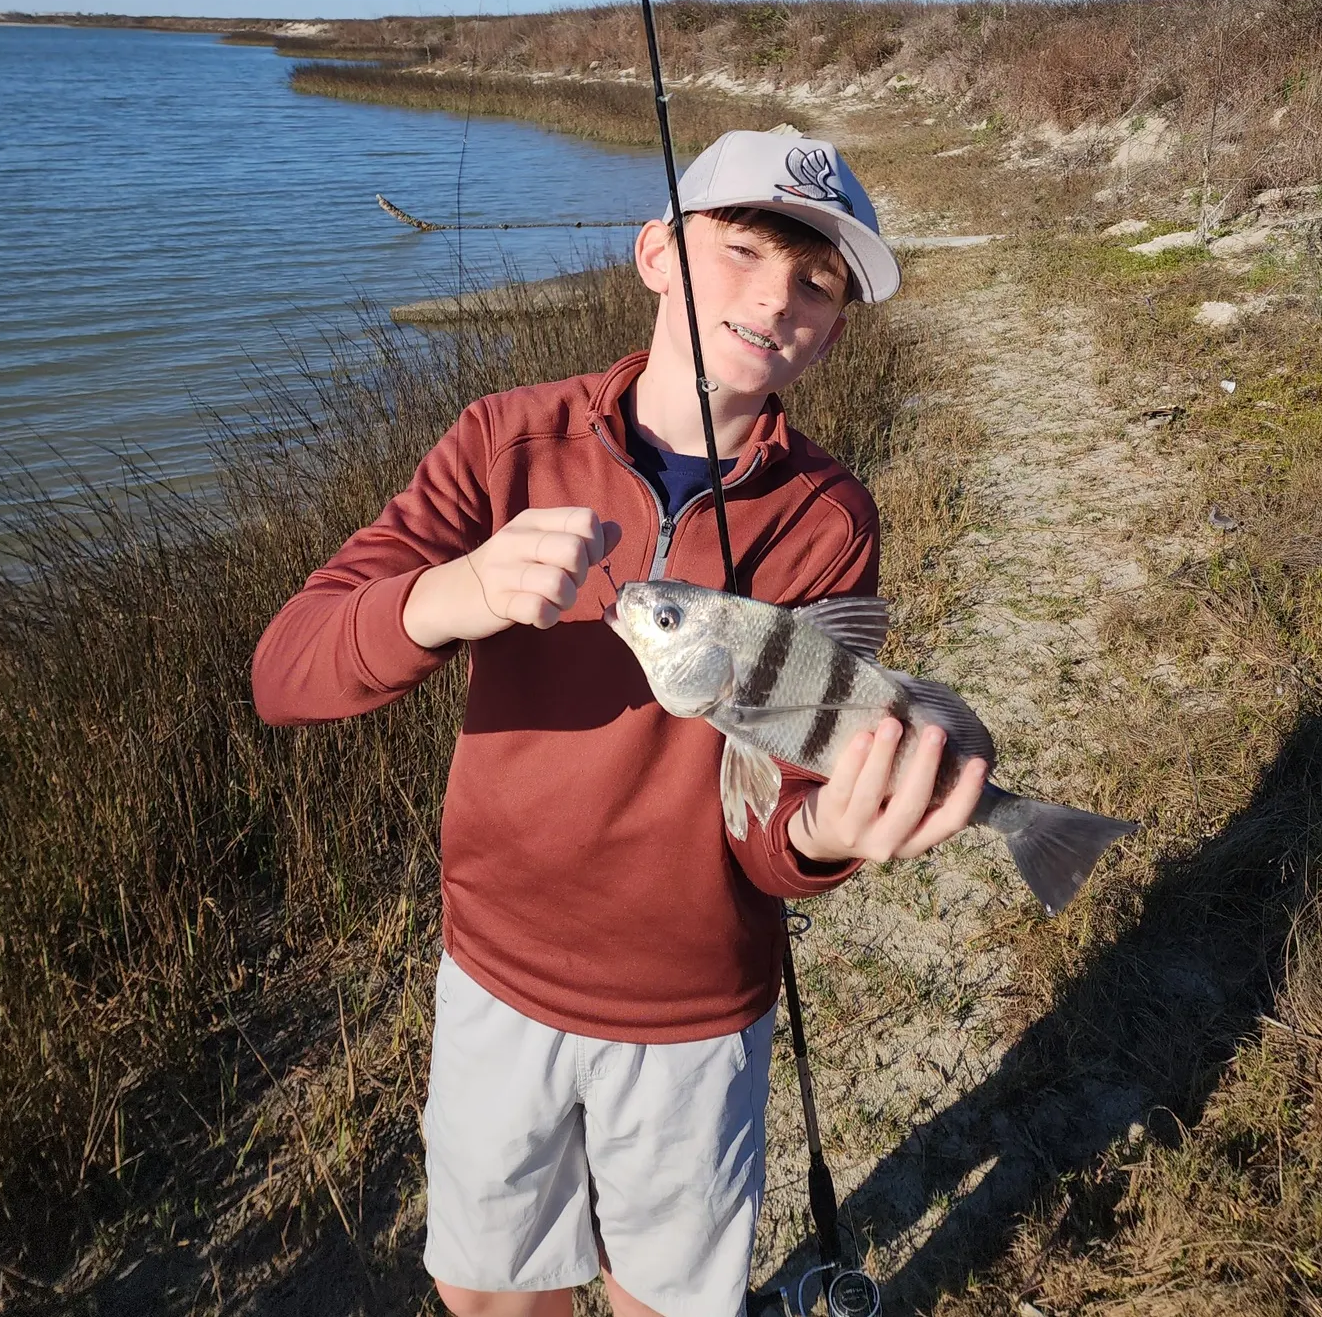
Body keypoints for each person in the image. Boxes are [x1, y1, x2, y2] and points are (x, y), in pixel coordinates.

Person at [251, 130, 988, 1317]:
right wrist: (455, 594)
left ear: (838, 327)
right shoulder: (505, 439)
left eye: (818, 281)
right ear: (655, 253)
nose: (774, 297)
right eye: (739, 250)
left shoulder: (828, 515)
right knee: (488, 1291)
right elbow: (286, 673)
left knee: (664, 1299)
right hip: (494, 972)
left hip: (695, 1003)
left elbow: (773, 819)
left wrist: (823, 839)